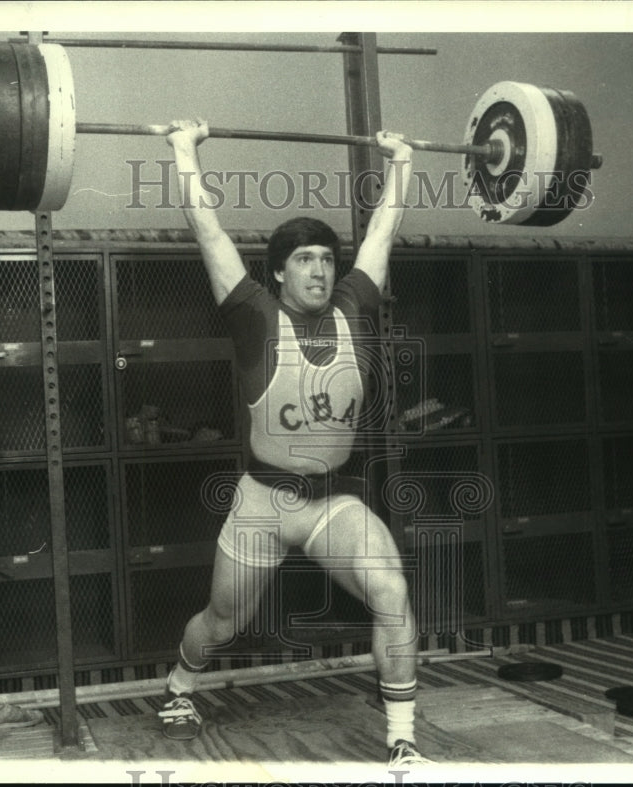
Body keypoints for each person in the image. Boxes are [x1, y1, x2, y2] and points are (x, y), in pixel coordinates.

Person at [159, 119, 431, 767]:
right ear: (279, 271)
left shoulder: (354, 308)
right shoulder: (254, 315)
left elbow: (384, 231)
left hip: (331, 500)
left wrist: (403, 161)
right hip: (262, 502)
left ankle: (402, 740)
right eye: (304, 259)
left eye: (326, 259)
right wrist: (181, 150)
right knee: (222, 622)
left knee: (392, 590)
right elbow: (209, 231)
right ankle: (179, 684)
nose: (319, 269)